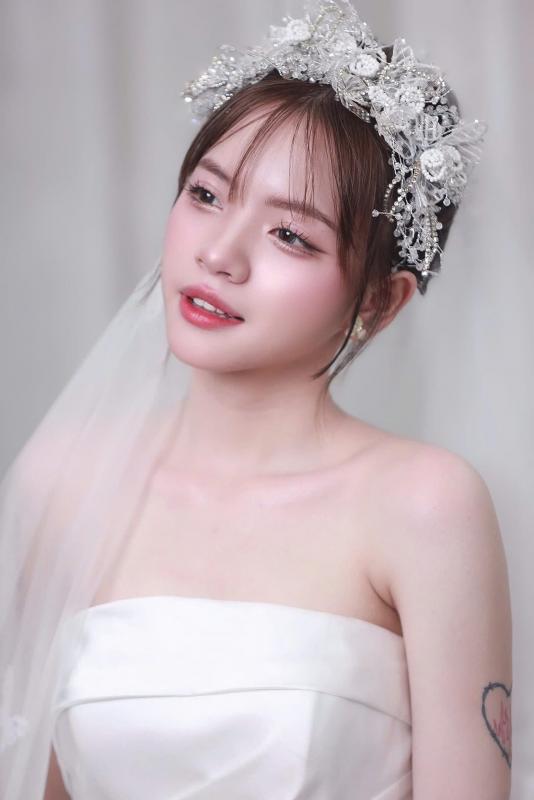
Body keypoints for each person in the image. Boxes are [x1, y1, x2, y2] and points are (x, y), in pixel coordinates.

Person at [0, 1, 512, 798]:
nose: (220, 255)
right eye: (207, 195)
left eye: (291, 236)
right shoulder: (62, 484)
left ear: (380, 302)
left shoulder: (425, 506)